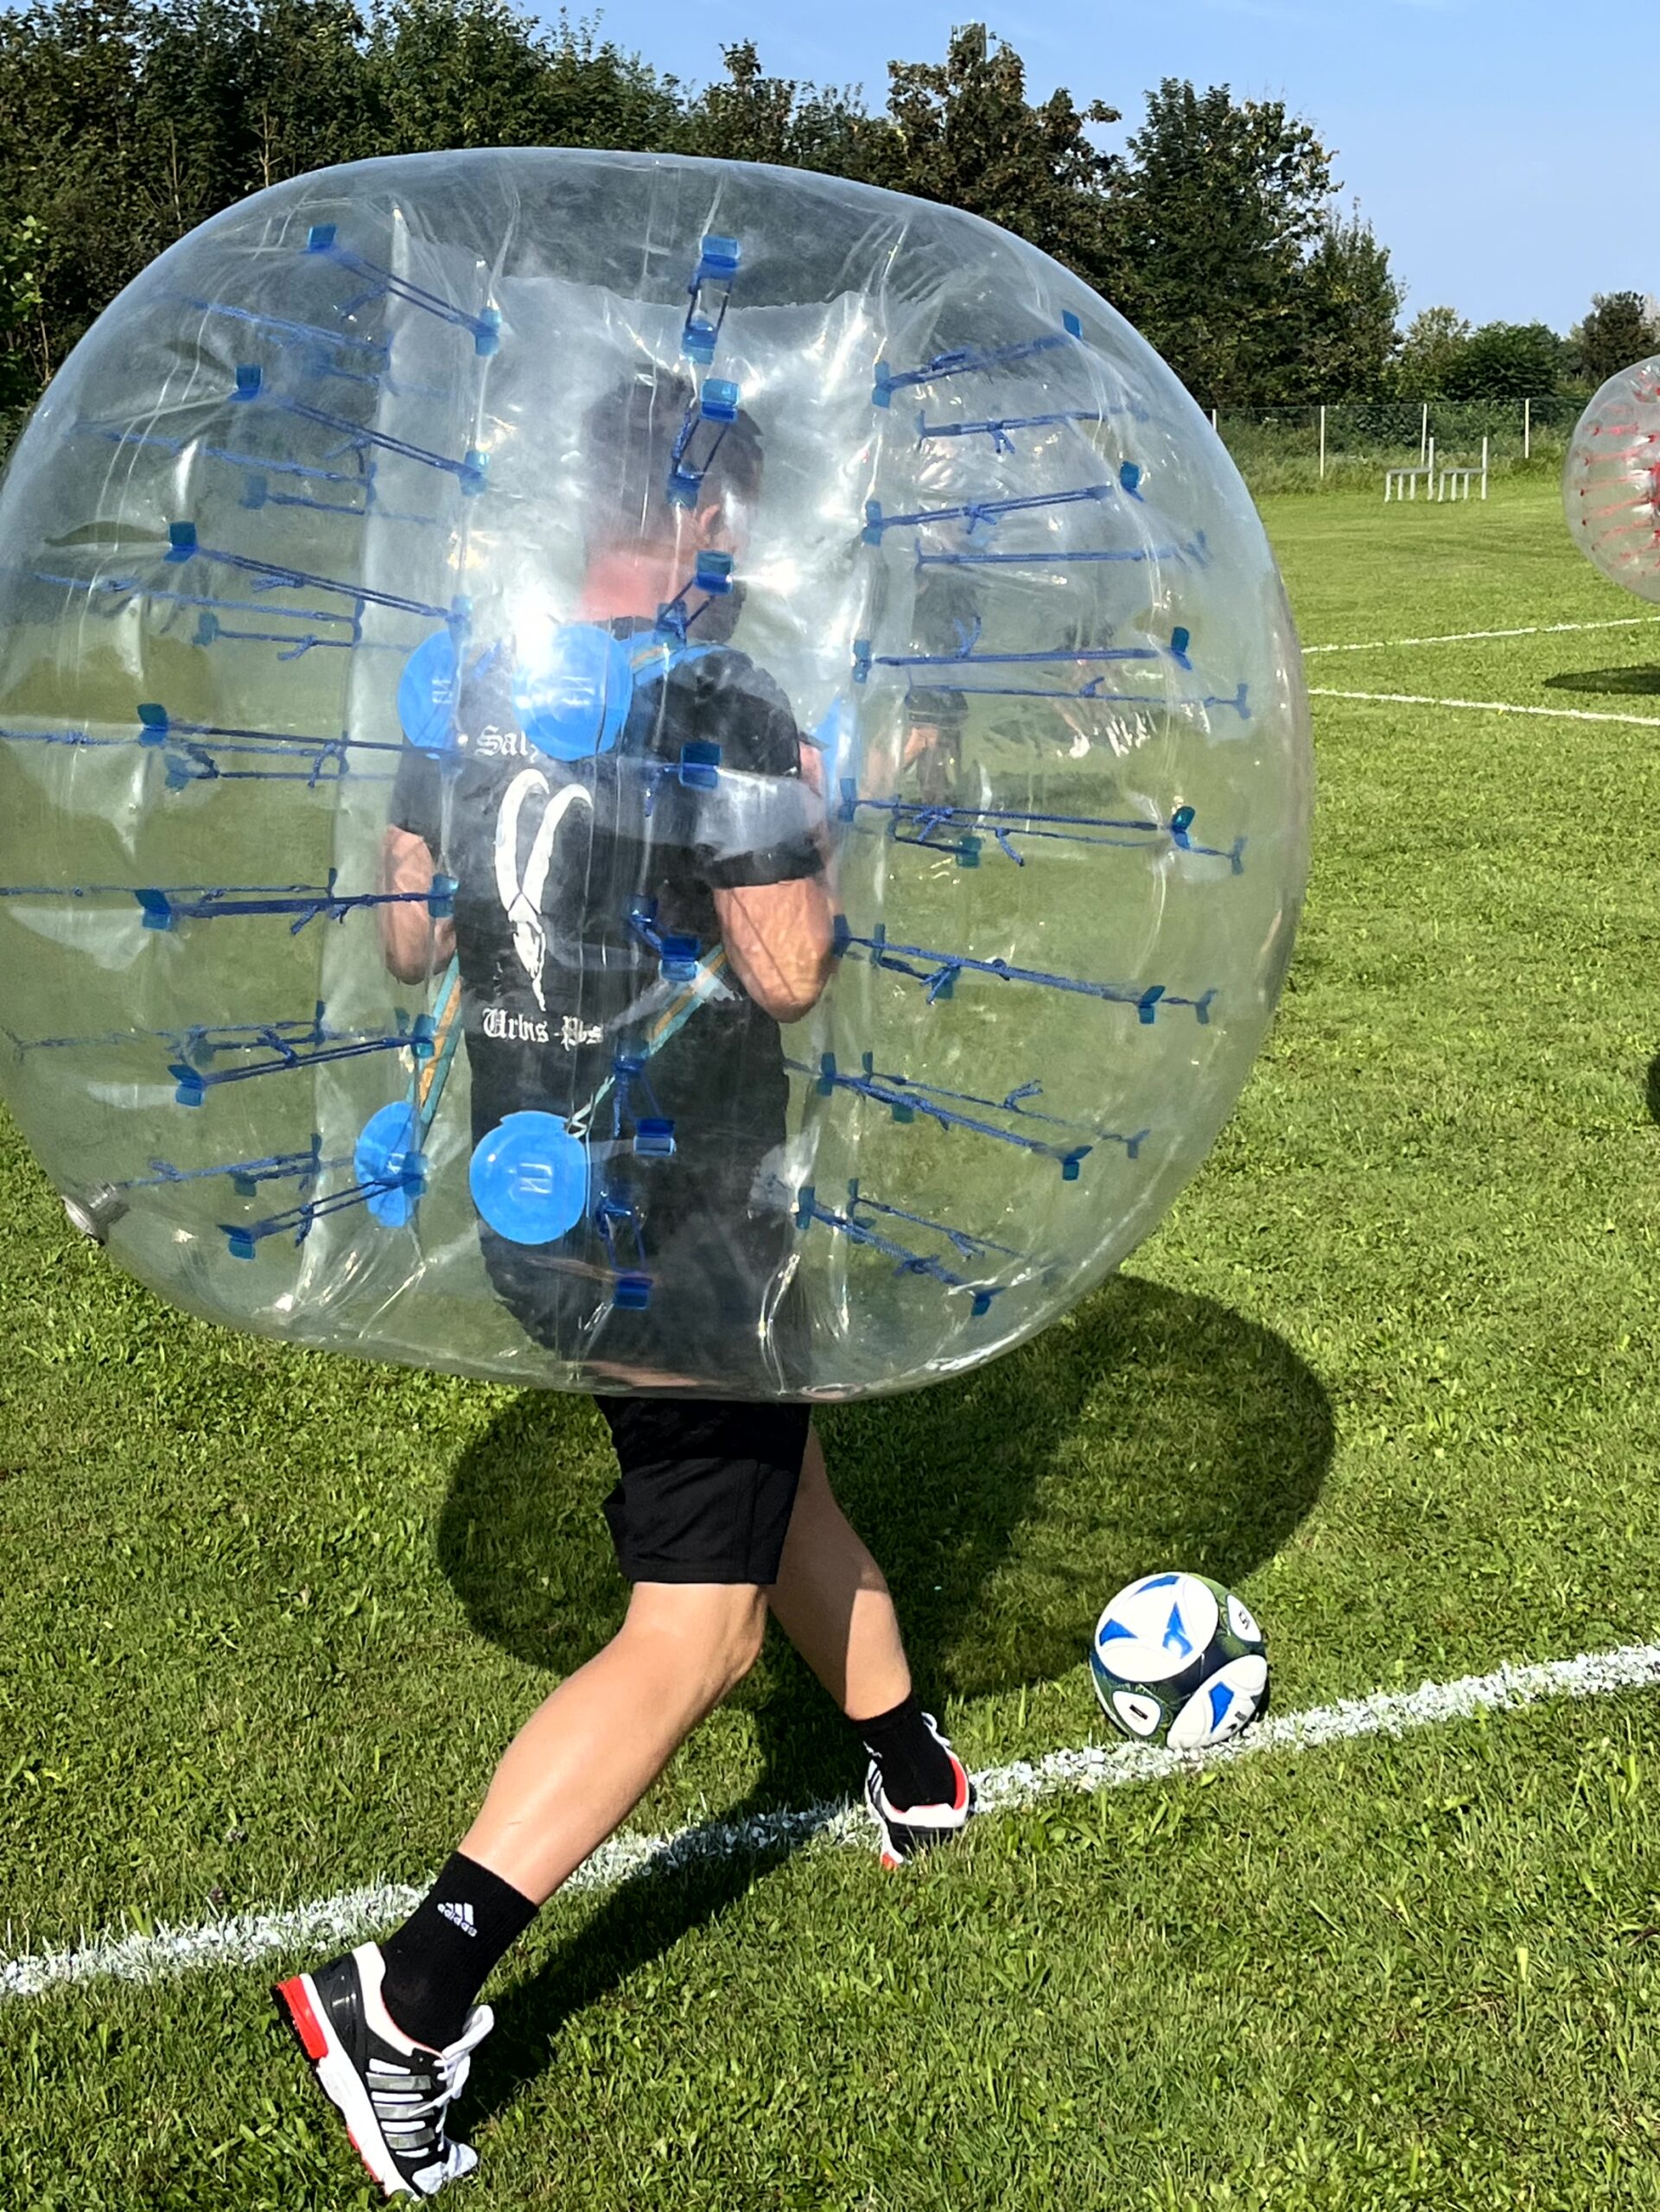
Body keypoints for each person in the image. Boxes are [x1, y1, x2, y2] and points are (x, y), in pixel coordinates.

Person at [273, 363, 976, 2201]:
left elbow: (415, 924)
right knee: (697, 1624)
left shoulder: (475, 672)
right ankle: (409, 1999)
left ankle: (908, 1758)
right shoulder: (724, 696)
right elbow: (792, 968)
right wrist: (837, 810)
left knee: (777, 1460)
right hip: (681, 1222)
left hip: (536, 1200)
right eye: (729, 503)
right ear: (707, 506)